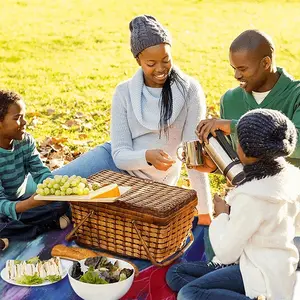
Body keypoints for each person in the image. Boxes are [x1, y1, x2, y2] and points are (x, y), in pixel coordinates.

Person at [52, 15, 213, 224]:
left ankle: (60, 216)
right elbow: (119, 154)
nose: (160, 69)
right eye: (151, 63)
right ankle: (13, 214)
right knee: (49, 189)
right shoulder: (125, 92)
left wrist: (205, 212)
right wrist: (146, 156)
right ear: (138, 60)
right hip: (112, 163)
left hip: (149, 185)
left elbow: (193, 157)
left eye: (166, 60)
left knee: (80, 211)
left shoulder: (190, 91)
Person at [166, 108, 300, 300]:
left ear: (243, 150)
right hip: (276, 266)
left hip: (258, 273)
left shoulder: (251, 197)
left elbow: (226, 252)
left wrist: (222, 215)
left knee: (189, 293)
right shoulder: (291, 177)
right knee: (175, 274)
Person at [195, 29, 300, 261]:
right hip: (246, 198)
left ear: (266, 63)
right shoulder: (230, 100)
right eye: (233, 68)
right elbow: (241, 160)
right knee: (216, 249)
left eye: (242, 69)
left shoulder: (296, 95)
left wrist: (234, 126)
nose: (236, 76)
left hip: (287, 204)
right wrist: (214, 165)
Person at [0, 90, 70, 240]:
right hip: (6, 207)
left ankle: (14, 232)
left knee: (63, 204)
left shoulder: (25, 141)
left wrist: (52, 189)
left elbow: (40, 172)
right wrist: (29, 204)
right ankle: (40, 226)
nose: (25, 122)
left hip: (20, 202)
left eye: (24, 116)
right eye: (18, 118)